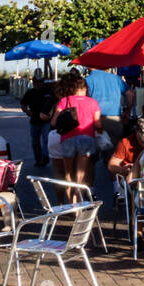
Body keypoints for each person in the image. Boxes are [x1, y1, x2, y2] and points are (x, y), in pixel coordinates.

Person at [48, 71, 101, 202]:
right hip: (86, 138)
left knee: (67, 174)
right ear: (83, 88)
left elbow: (54, 122)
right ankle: (79, 202)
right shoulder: (93, 102)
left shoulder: (64, 101)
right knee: (81, 175)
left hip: (67, 138)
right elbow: (98, 123)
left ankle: (72, 205)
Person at [20, 74, 58, 167]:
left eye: (40, 82)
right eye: (36, 82)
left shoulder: (49, 91)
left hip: (47, 121)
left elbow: (56, 103)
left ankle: (45, 157)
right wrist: (27, 111)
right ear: (33, 83)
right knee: (35, 142)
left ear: (42, 82)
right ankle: (38, 159)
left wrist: (53, 113)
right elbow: (23, 104)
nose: (38, 84)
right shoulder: (30, 92)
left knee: (46, 139)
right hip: (34, 121)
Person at [107, 115, 144, 182]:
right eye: (142, 140)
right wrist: (122, 169)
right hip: (130, 180)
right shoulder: (125, 142)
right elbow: (111, 165)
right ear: (136, 132)